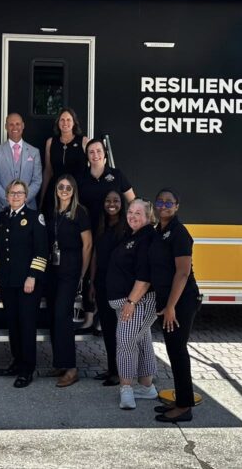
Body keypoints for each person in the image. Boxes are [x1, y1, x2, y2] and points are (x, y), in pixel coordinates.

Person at [144, 188, 199, 423]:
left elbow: (183, 273)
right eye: (161, 202)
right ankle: (179, 400)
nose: (164, 206)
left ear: (177, 206)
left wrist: (170, 307)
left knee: (177, 352)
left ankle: (184, 407)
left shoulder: (179, 233)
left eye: (169, 203)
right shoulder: (159, 231)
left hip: (182, 302)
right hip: (170, 302)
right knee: (173, 350)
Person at [0, 180, 49, 388]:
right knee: (13, 324)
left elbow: (42, 251)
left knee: (26, 325)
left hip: (28, 283)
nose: (15, 196)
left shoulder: (35, 218)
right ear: (6, 196)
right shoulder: (1, 218)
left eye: (19, 193)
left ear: (26, 196)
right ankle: (17, 362)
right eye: (12, 193)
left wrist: (33, 275)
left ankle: (27, 368)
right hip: (7, 281)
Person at [107, 198, 158, 410]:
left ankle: (126, 390)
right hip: (129, 301)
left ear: (148, 217)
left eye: (138, 213)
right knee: (143, 340)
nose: (133, 216)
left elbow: (144, 277)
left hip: (138, 301)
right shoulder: (134, 235)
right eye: (131, 211)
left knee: (125, 341)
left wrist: (131, 301)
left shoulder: (147, 238)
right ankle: (147, 387)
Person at [44, 175, 92, 388]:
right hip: (52, 270)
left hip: (71, 270)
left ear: (73, 191)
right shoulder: (53, 212)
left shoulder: (80, 212)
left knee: (63, 316)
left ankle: (71, 368)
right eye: (61, 187)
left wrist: (82, 274)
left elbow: (88, 245)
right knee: (54, 316)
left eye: (68, 187)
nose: (64, 190)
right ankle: (60, 363)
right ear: (56, 189)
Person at [89, 190, 127, 387]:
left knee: (121, 331)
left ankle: (121, 372)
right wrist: (93, 283)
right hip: (102, 284)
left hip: (120, 286)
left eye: (116, 200)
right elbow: (95, 254)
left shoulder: (127, 227)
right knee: (108, 329)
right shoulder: (101, 225)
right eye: (108, 200)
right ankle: (112, 368)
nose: (111, 204)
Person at [78, 139, 135, 236]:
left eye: (99, 151)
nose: (95, 155)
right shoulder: (81, 177)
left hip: (114, 230)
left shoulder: (117, 174)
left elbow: (132, 201)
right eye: (91, 152)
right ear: (87, 156)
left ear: (105, 153)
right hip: (88, 229)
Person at [0, 113, 42, 213]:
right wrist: (8, 200)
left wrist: (23, 199)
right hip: (2, 208)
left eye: (18, 124)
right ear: (6, 127)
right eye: (11, 124)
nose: (15, 127)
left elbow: (37, 180)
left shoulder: (34, 152)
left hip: (28, 208)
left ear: (23, 126)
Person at [39, 108, 89, 212]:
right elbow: (48, 171)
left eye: (68, 120)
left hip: (78, 191)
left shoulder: (84, 141)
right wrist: (42, 198)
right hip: (55, 191)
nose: (65, 123)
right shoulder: (51, 142)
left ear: (74, 122)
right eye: (62, 120)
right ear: (58, 122)